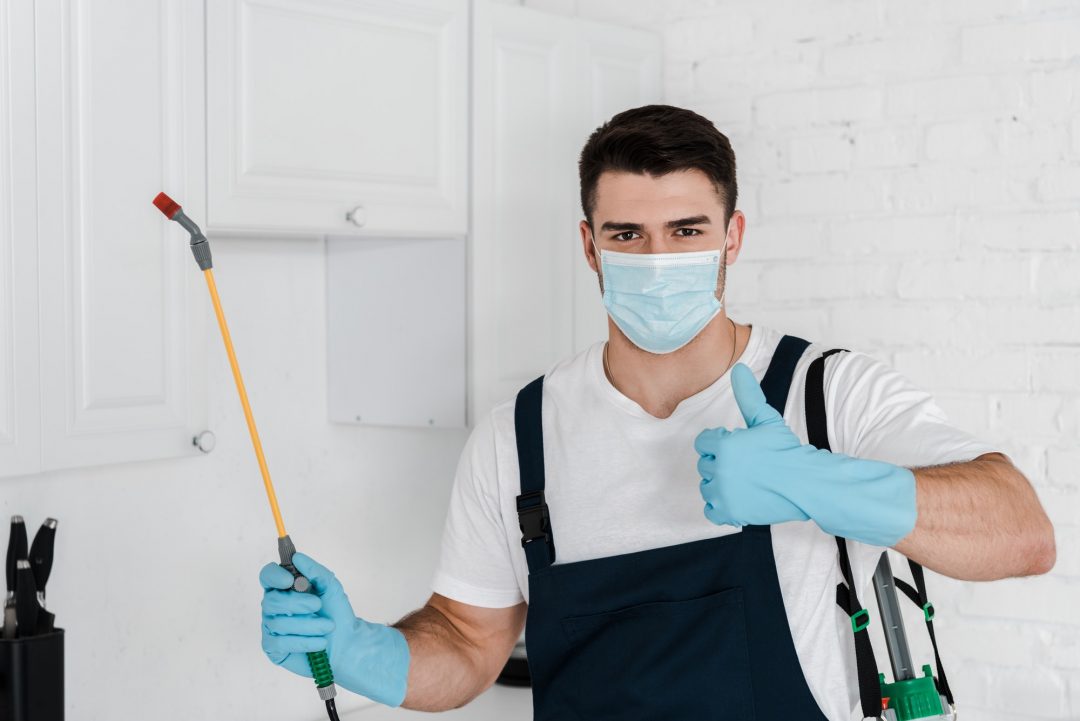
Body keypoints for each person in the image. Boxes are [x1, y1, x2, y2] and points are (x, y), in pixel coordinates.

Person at [259, 104, 1056, 720]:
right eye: (626, 234)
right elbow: (468, 643)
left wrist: (822, 482)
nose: (658, 259)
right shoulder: (520, 436)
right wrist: (358, 648)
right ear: (588, 244)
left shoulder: (824, 392)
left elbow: (1021, 531)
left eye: (686, 230)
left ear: (732, 236)